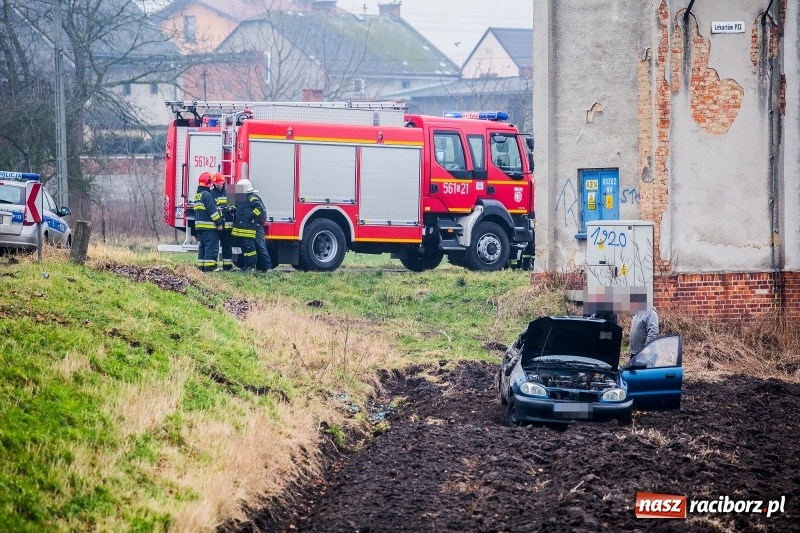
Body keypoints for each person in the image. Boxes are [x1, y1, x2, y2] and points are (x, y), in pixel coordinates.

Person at [232, 179, 272, 272]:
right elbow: (236, 206)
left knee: (260, 246)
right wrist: (232, 209)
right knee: (246, 246)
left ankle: (268, 267)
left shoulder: (251, 197)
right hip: (246, 227)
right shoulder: (240, 197)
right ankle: (249, 266)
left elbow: (260, 209)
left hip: (256, 226)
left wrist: (251, 216)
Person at [193, 172, 224, 272]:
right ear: (209, 183)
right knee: (211, 247)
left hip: (200, 227)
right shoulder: (207, 195)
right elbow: (212, 211)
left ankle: (201, 267)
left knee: (202, 247)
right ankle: (210, 268)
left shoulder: (198, 195)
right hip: (209, 227)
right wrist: (219, 223)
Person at [210, 172, 234, 271]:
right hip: (216, 224)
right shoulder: (210, 192)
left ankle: (228, 267)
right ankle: (213, 266)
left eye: (220, 184)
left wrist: (230, 208)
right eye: (217, 184)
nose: (219, 186)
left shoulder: (231, 191)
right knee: (214, 246)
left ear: (223, 182)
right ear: (213, 183)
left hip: (227, 224)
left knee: (227, 246)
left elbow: (236, 206)